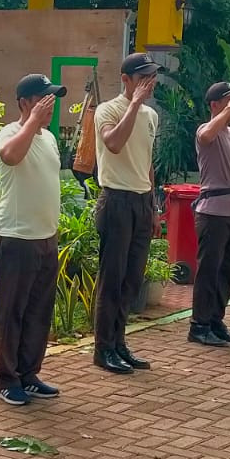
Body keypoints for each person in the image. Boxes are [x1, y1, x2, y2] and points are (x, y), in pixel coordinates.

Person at [0, 73, 65, 405]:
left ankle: (28, 372)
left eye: (52, 99)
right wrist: (31, 122)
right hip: (17, 238)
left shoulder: (48, 138)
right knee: (12, 313)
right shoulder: (10, 133)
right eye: (42, 99)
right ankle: (6, 379)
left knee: (38, 311)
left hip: (46, 238)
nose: (49, 106)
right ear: (24, 103)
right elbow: (10, 156)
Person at [93, 53, 160, 374]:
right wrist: (133, 104)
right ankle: (103, 348)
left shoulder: (151, 116)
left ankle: (120, 342)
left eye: (152, 77)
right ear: (126, 79)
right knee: (113, 278)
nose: (149, 83)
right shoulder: (109, 109)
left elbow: (146, 161)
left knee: (132, 279)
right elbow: (114, 144)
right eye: (143, 77)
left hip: (141, 201)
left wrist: (154, 205)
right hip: (116, 200)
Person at [189, 81, 230, 347]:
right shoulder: (206, 130)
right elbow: (206, 136)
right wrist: (226, 113)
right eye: (229, 100)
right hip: (213, 213)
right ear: (214, 105)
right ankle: (199, 325)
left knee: (228, 270)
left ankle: (215, 320)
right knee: (209, 271)